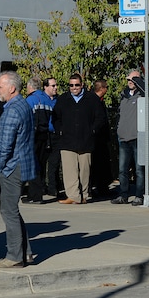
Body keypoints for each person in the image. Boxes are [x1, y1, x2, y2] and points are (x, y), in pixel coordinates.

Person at [0, 71, 35, 268]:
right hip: (21, 164)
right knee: (12, 210)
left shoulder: (12, 110)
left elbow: (5, 145)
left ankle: (14, 256)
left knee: (8, 210)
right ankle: (25, 253)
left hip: (11, 166)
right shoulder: (23, 104)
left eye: (0, 87)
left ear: (11, 88)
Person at [53, 73, 107, 205]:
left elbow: (100, 117)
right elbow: (55, 117)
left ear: (81, 85)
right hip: (67, 140)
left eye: (76, 85)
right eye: (71, 85)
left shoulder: (92, 98)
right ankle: (73, 196)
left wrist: (93, 130)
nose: (74, 88)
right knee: (69, 170)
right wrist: (59, 130)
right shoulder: (63, 99)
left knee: (84, 170)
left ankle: (84, 195)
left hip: (86, 140)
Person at [112, 70, 146, 206]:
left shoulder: (142, 96)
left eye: (133, 80)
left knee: (139, 170)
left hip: (137, 137)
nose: (130, 82)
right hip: (123, 138)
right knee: (122, 170)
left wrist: (140, 82)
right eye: (128, 80)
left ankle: (139, 196)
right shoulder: (123, 96)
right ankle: (123, 195)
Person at [24, 76, 57, 203]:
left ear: (31, 87)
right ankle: (36, 193)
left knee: (33, 165)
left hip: (34, 135)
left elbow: (26, 118)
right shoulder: (47, 100)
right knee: (41, 164)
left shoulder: (31, 99)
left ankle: (35, 195)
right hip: (45, 136)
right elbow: (50, 121)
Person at [90, 79, 113, 198]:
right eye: (106, 87)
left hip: (102, 139)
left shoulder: (100, 101)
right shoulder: (93, 101)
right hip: (96, 139)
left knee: (102, 164)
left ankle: (103, 187)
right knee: (95, 164)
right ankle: (95, 187)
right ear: (102, 89)